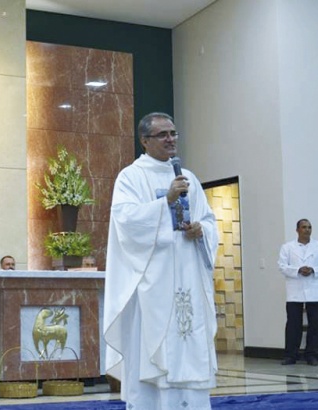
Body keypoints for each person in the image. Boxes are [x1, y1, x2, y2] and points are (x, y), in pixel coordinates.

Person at [103, 112, 219, 410]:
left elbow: (207, 218)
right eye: (163, 135)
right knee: (154, 347)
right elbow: (125, 222)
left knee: (189, 341)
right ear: (145, 140)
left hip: (187, 273)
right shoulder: (131, 176)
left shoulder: (188, 176)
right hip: (154, 282)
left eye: (173, 133)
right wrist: (164, 201)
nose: (171, 139)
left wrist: (201, 230)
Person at [278, 219, 318, 366]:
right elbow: (282, 266)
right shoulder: (287, 247)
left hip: (314, 290)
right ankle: (290, 355)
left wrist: (313, 270)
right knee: (293, 325)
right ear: (297, 230)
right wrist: (298, 270)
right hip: (295, 290)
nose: (307, 230)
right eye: (304, 227)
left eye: (309, 227)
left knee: (315, 325)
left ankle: (312, 355)